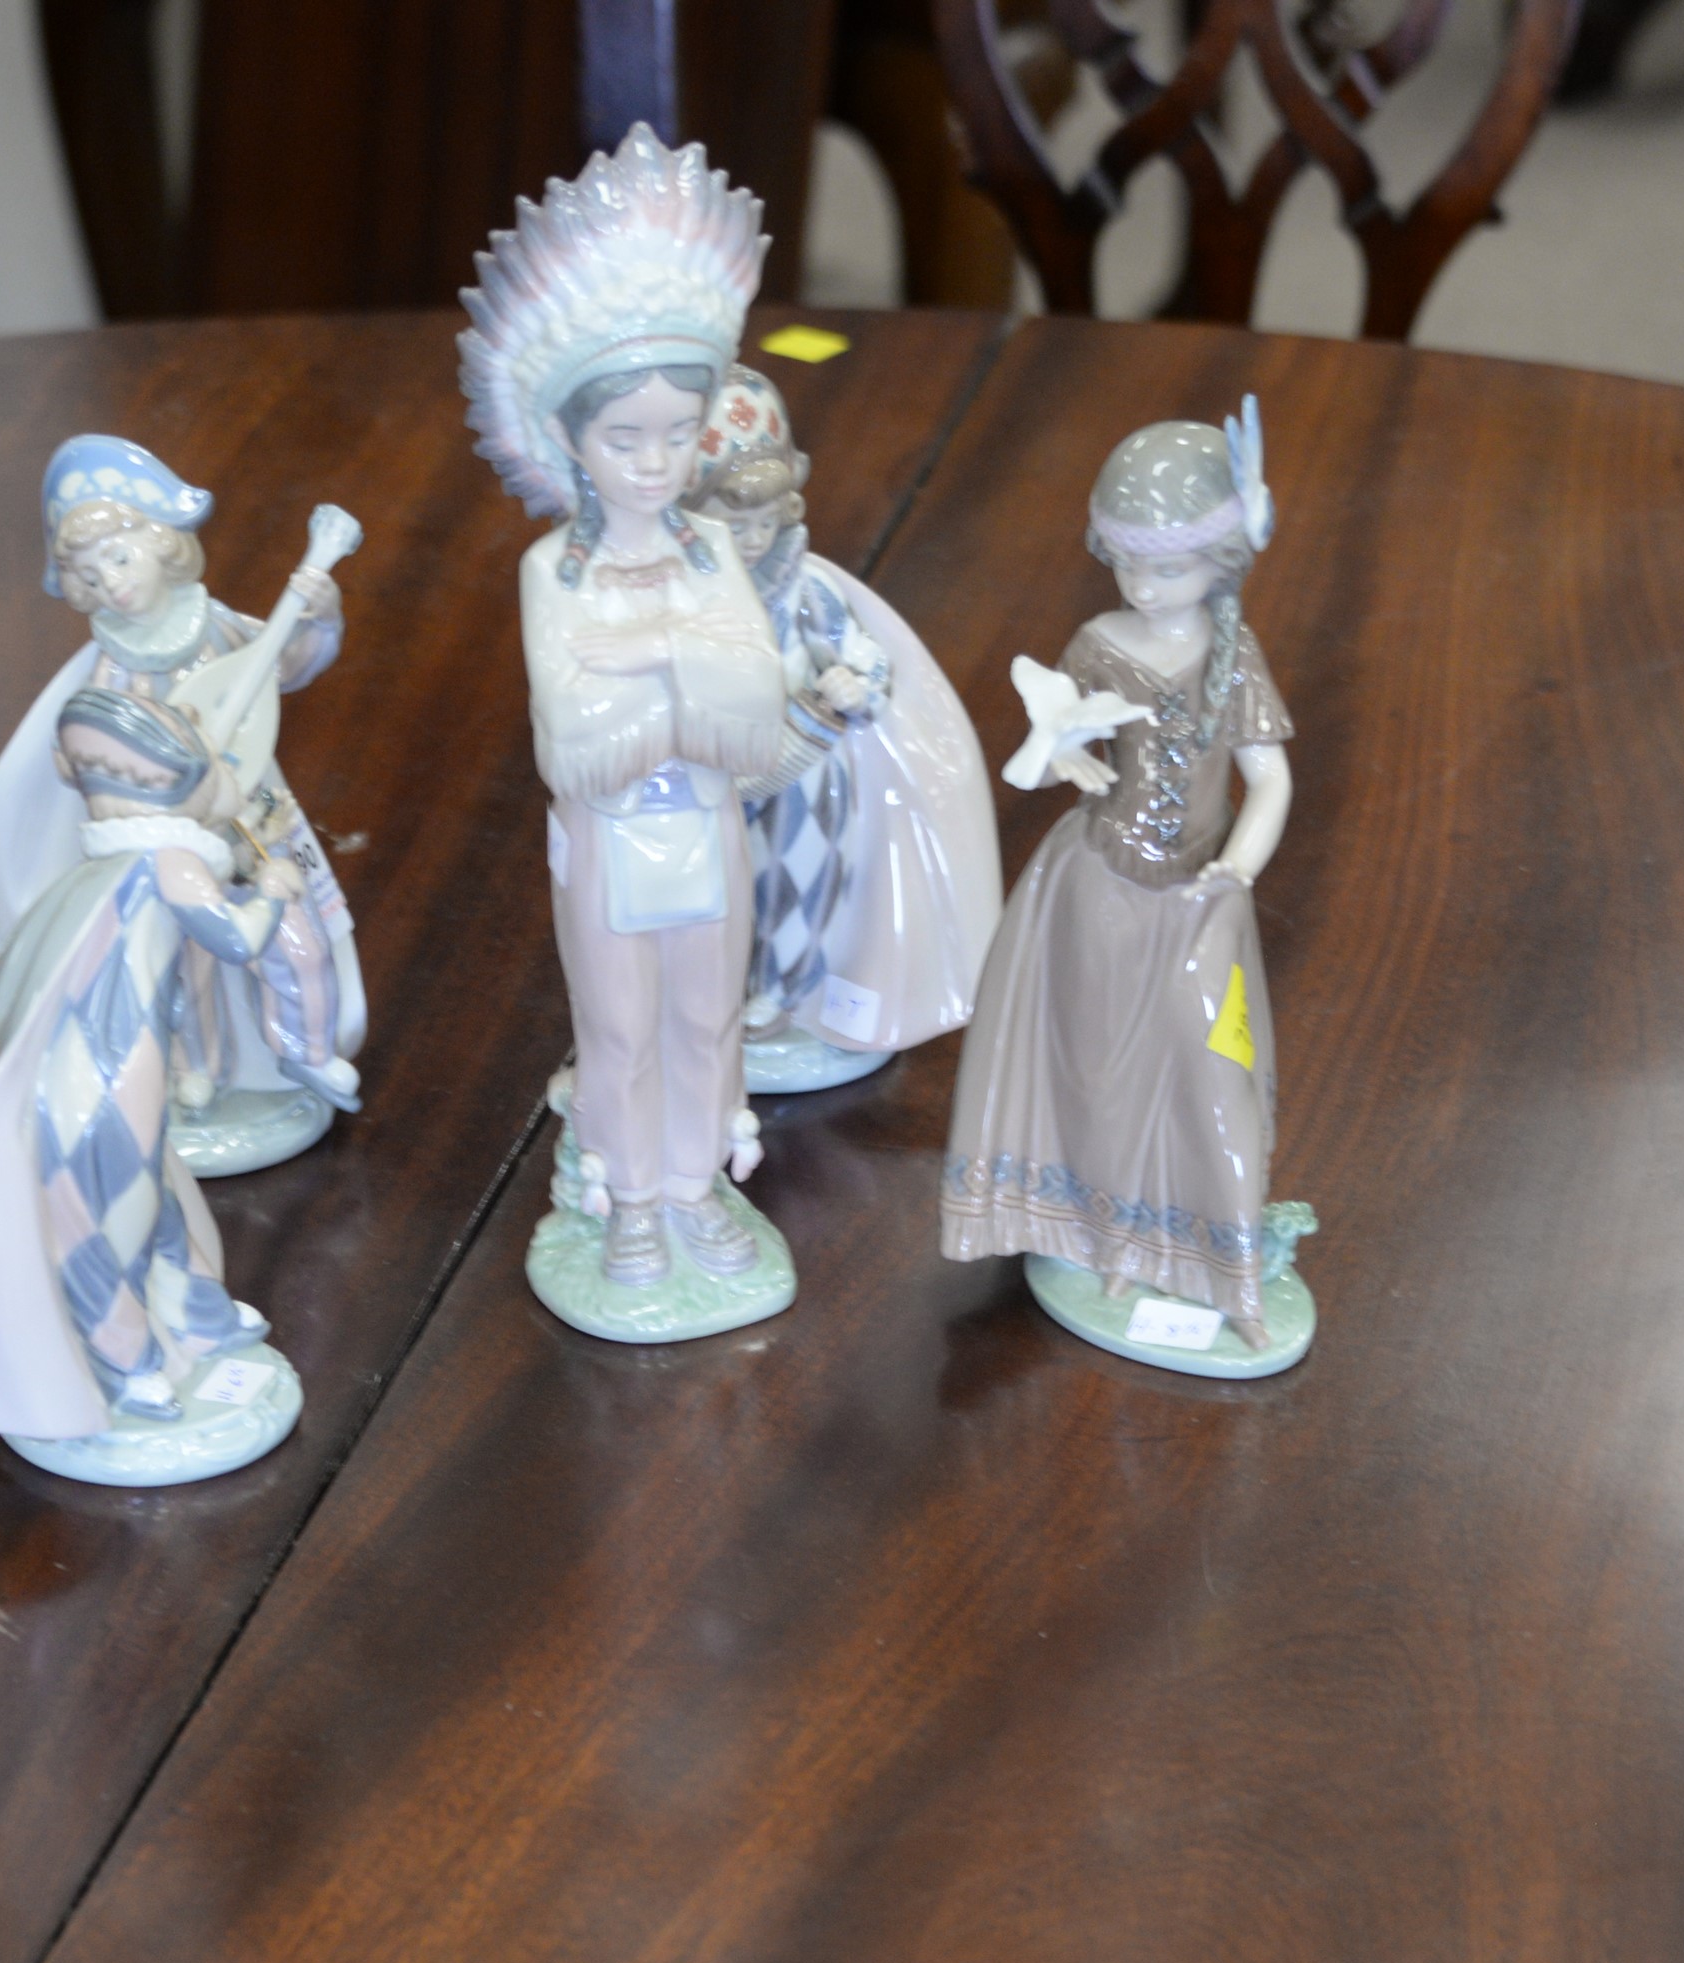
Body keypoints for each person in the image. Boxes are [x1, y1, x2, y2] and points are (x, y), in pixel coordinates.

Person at [461, 126, 797, 1326]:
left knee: (708, 1014)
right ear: (568, 439)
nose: (654, 464)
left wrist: (651, 662)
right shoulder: (553, 573)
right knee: (620, 1026)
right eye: (624, 438)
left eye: (676, 434)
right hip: (612, 844)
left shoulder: (710, 553)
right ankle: (635, 1201)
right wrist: (687, 683)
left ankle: (697, 1187)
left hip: (707, 830)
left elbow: (756, 715)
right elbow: (574, 741)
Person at [942, 404, 1316, 1372]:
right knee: (1099, 1071)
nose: (1145, 587)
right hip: (1101, 885)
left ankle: (1225, 1259)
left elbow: (1270, 781)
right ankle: (1115, 1239)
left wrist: (1236, 869)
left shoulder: (1232, 655)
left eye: (1170, 567)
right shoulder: (1098, 641)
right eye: (1128, 563)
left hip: (1198, 903)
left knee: (1213, 1072)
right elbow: (1062, 747)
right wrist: (1062, 753)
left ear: (1222, 560)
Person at [0, 689, 300, 1474]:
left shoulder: (99, 867)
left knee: (145, 1197)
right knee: (112, 1213)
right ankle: (128, 1364)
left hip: (92, 1063)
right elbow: (236, 936)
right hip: (114, 1064)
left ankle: (195, 1317)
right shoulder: (168, 860)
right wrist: (275, 890)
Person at [0, 434, 364, 1174]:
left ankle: (300, 1052)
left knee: (291, 937)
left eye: (121, 559)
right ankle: (195, 1073)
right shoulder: (109, 667)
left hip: (250, 821)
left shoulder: (216, 627)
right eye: (91, 574)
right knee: (182, 967)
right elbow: (85, 755)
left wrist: (318, 617)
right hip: (165, 845)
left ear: (162, 545)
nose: (112, 584)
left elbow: (283, 664)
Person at [682, 365, 1001, 1095]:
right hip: (716, 774)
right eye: (735, 525)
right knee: (724, 889)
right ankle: (714, 995)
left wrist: (856, 681)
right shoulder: (687, 598)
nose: (754, 540)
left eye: (766, 523)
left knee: (800, 884)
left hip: (807, 777)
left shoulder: (807, 590)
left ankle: (780, 996)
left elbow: (862, 654)